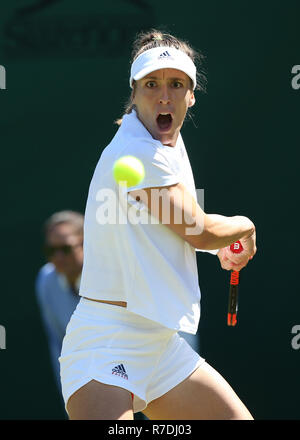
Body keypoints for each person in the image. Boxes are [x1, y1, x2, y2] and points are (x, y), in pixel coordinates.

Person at [59, 29, 257, 420]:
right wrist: (245, 227)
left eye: (176, 84)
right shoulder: (135, 152)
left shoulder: (166, 143)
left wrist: (215, 245)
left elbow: (173, 227)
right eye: (151, 84)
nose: (164, 95)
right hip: (106, 345)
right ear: (134, 94)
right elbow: (198, 229)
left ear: (191, 95)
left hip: (161, 347)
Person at [35, 211, 83, 390]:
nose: (58, 258)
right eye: (51, 251)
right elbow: (60, 344)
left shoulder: (111, 273)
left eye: (66, 249)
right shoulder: (46, 280)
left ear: (87, 244)